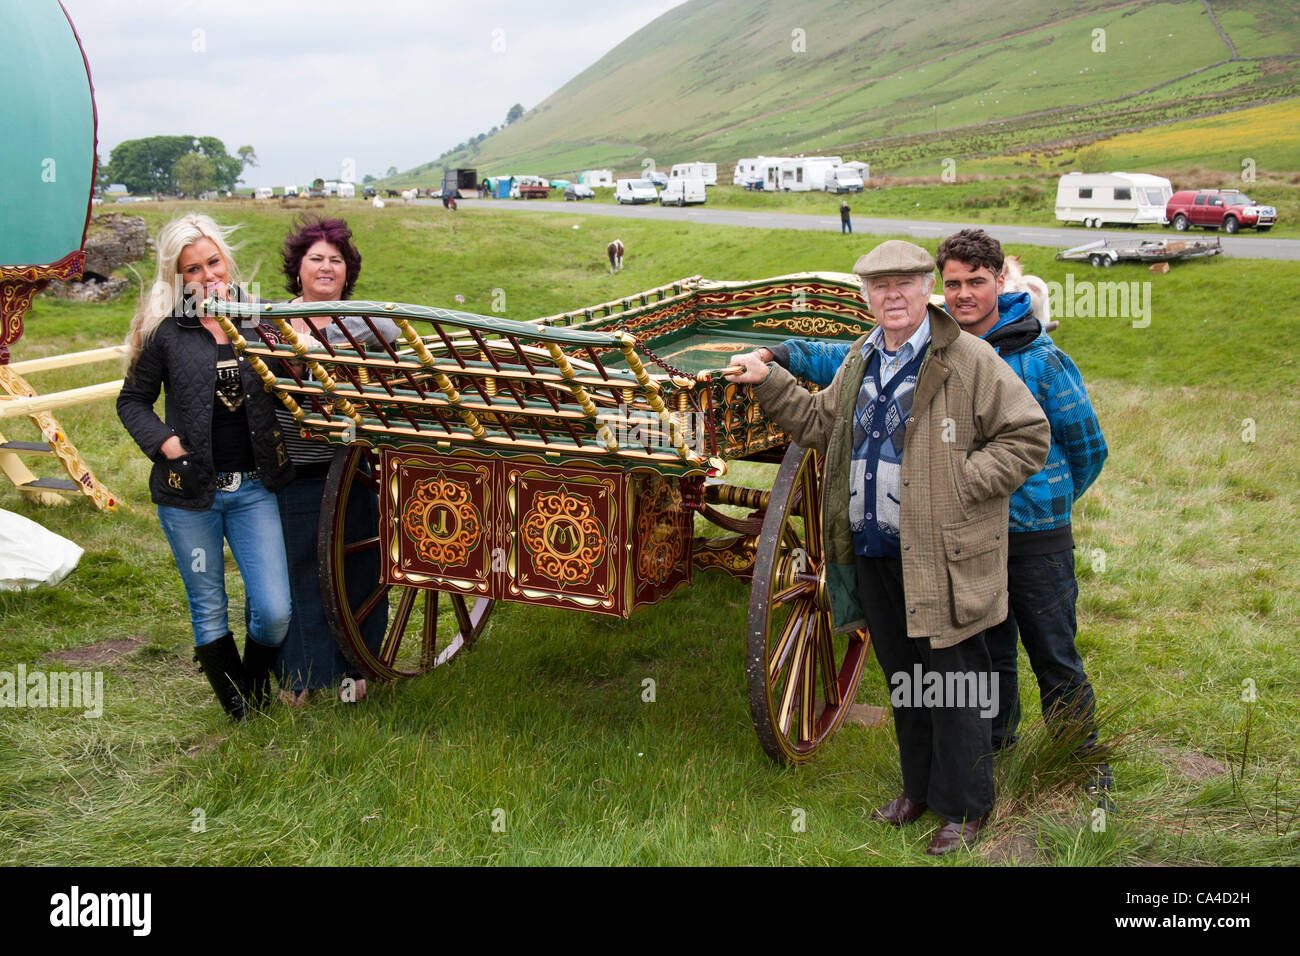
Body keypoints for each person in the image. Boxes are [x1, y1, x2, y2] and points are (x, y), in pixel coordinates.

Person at [750, 229, 1112, 799]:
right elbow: (840, 381)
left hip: (1033, 533)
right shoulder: (901, 351)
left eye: (975, 282)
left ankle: (1084, 766)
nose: (964, 293)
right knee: (985, 659)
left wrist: (1014, 494)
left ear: (1000, 282)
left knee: (1053, 653)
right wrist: (781, 359)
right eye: (954, 283)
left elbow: (1083, 447)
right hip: (947, 544)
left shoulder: (1030, 358)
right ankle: (988, 753)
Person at [117, 214, 294, 721]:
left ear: (227, 261)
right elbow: (132, 402)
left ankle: (253, 691)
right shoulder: (166, 331)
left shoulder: (259, 320)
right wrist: (169, 445)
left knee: (275, 610)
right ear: (178, 278)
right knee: (209, 605)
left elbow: (292, 380)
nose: (207, 275)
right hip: (190, 493)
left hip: (255, 490)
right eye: (192, 269)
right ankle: (244, 713)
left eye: (213, 262)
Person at [273, 216, 399, 704]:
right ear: (298, 268)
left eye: (337, 261)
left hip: (355, 469)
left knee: (361, 569)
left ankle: (357, 669)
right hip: (295, 467)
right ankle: (301, 675)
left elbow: (402, 368)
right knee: (298, 569)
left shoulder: (368, 322)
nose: (327, 267)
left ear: (348, 272)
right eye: (317, 259)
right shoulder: (270, 320)